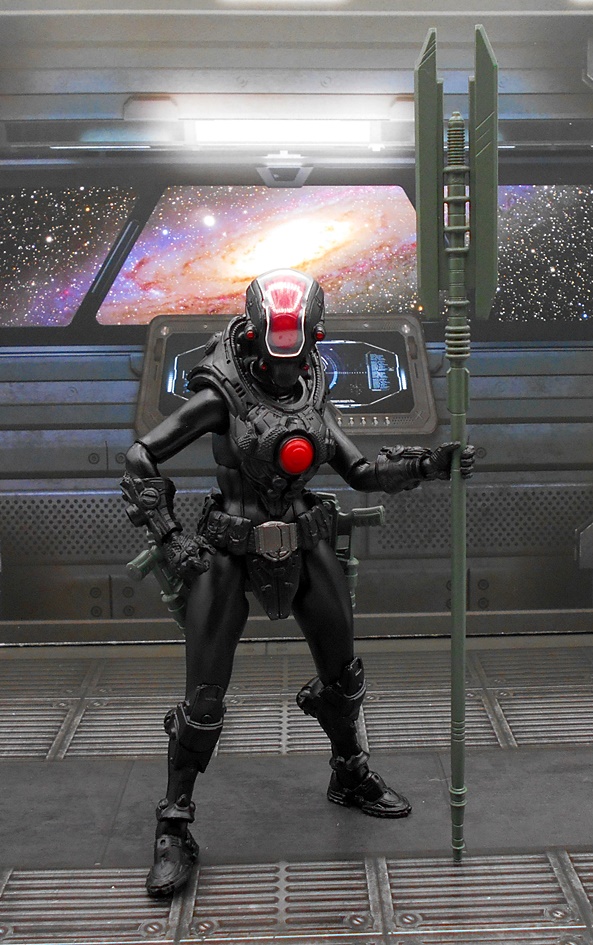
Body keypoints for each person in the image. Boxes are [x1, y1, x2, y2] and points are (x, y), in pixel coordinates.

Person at [121, 268, 474, 898]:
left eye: (296, 340)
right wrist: (170, 536)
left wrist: (429, 463)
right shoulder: (221, 394)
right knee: (204, 699)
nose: (285, 357)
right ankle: (173, 824)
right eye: (275, 340)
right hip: (229, 549)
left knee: (344, 676)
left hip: (305, 541)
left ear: (313, 335)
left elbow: (359, 472)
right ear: (255, 336)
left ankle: (350, 772)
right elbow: (141, 455)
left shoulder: (314, 393)